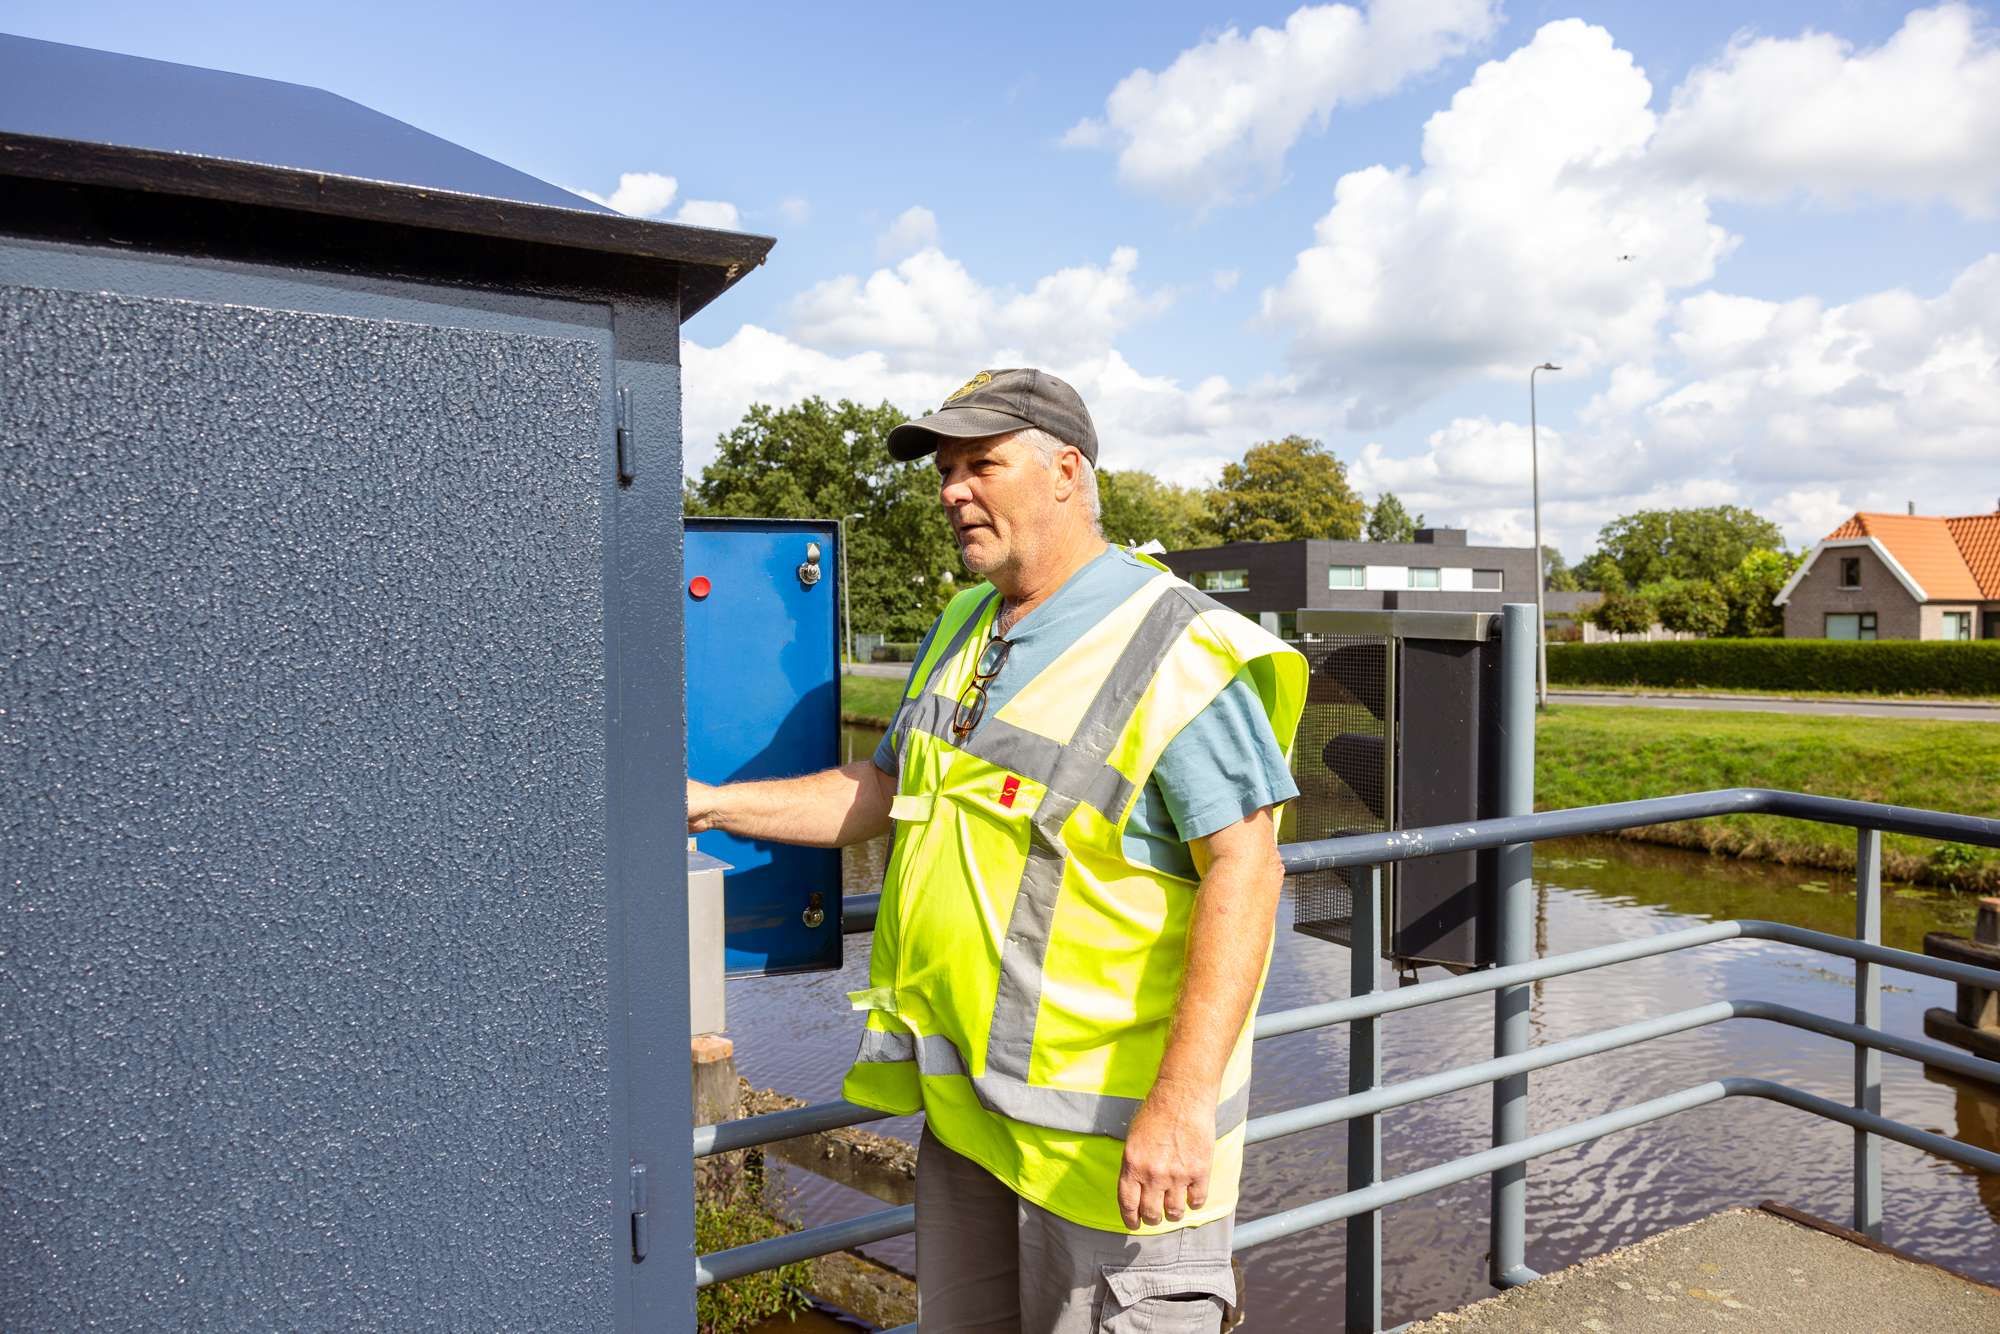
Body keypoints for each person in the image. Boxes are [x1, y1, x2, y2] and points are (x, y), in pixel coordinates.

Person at [687, 368, 1305, 1333]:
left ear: (1066, 472)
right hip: (974, 1128)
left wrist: (1180, 1109)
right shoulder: (966, 627)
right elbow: (885, 791)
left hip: (1117, 1155)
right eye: (944, 470)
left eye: (982, 464)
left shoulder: (1176, 647)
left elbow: (1248, 867)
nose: (950, 491)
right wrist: (711, 805)